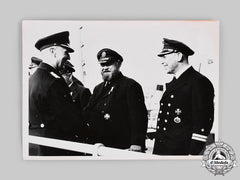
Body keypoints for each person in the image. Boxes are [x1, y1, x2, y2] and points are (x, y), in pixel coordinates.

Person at [153, 38, 215, 155]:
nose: (162, 61)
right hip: (163, 149)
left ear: (178, 56)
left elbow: (203, 121)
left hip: (181, 151)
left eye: (165, 57)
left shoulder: (199, 82)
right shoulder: (175, 82)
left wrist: (192, 152)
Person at [29, 31, 87, 156]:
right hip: (55, 149)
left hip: (36, 147)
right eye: (66, 52)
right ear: (53, 51)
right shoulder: (54, 81)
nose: (69, 57)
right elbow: (69, 122)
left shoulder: (33, 78)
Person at [85, 48, 148, 152]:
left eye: (109, 64)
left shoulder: (130, 86)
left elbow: (138, 117)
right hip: (99, 146)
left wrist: (136, 143)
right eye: (102, 65)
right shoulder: (98, 88)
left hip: (122, 146)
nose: (105, 68)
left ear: (118, 64)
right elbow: (88, 112)